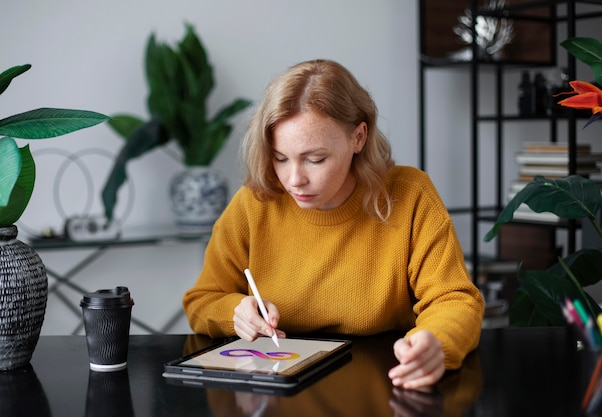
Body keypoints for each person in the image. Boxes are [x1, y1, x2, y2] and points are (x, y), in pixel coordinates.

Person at [183, 59, 484, 390]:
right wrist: (236, 312)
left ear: (358, 137)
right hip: (277, 393)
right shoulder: (255, 202)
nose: (294, 180)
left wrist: (435, 341)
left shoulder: (409, 194)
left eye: (315, 159)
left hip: (382, 385)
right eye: (280, 157)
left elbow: (455, 298)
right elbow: (202, 300)